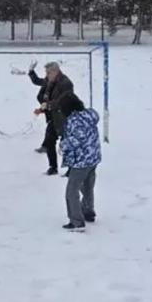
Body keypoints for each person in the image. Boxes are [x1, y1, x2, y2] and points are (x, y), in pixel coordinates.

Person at [58, 92, 102, 230]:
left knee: (72, 191)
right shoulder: (89, 115)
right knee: (88, 187)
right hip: (93, 158)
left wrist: (63, 145)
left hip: (81, 161)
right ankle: (88, 211)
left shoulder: (74, 120)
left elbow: (78, 138)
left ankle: (76, 221)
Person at [30, 61, 74, 175]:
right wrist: (42, 109)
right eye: (46, 72)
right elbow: (39, 83)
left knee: (67, 144)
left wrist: (48, 105)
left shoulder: (66, 83)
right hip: (54, 118)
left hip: (65, 118)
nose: (46, 74)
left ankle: (71, 169)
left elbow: (64, 101)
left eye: (48, 72)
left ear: (55, 71)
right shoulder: (50, 81)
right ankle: (53, 167)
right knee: (49, 142)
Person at [28, 61, 49, 154]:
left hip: (57, 112)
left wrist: (41, 110)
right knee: (52, 131)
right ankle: (45, 147)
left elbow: (55, 102)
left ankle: (46, 147)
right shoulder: (48, 81)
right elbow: (36, 81)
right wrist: (31, 71)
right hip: (51, 111)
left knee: (54, 130)